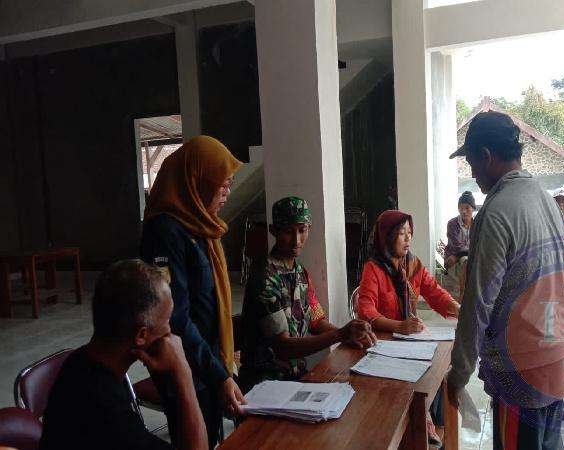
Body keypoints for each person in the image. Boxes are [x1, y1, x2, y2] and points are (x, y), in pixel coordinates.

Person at [446, 111, 564, 449]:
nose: (473, 175)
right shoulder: (546, 200)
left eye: (472, 164)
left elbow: (478, 302)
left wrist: (458, 374)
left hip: (522, 371)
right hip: (557, 357)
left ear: (486, 156)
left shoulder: (495, 211)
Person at [140, 135, 245, 448]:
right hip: (186, 365)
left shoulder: (200, 225)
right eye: (221, 185)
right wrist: (217, 374)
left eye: (229, 184)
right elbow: (175, 317)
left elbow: (207, 302)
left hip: (207, 359)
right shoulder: (165, 232)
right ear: (195, 182)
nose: (227, 192)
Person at [39, 260, 208, 450]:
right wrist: (183, 372)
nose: (171, 332)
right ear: (141, 335)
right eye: (167, 320)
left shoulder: (80, 361)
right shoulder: (107, 413)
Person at [239, 196, 377, 391]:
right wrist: (340, 334)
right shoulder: (265, 277)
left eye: (302, 230)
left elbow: (316, 320)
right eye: (288, 231)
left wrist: (351, 335)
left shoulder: (299, 272)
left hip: (295, 377)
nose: (296, 240)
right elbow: (283, 347)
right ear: (273, 231)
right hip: (265, 383)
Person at [357, 209, 460, 447]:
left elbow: (435, 292)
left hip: (409, 341)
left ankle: (433, 425)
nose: (408, 238)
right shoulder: (373, 269)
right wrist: (399, 326)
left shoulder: (413, 265)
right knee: (421, 380)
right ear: (387, 236)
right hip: (384, 346)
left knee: (440, 372)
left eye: (409, 232)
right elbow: (366, 311)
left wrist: (458, 309)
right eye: (401, 233)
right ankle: (422, 429)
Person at [444, 191, 476, 300]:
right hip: (454, 256)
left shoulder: (477, 224)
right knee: (466, 260)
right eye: (461, 208)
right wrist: (460, 254)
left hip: (463, 255)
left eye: (467, 208)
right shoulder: (452, 224)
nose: (464, 211)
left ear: (473, 208)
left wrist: (459, 254)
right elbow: (457, 247)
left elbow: (479, 244)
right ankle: (463, 294)